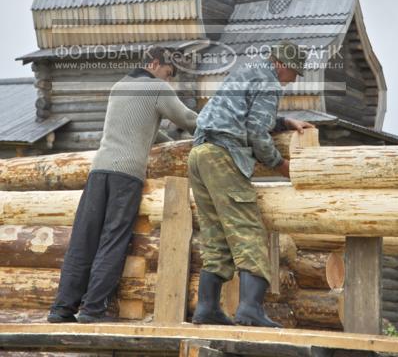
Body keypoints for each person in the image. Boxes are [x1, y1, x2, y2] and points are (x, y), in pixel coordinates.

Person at [48, 46, 197, 324]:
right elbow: (188, 120)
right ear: (154, 64)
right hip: (126, 176)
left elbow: (138, 128)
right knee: (113, 240)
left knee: (83, 239)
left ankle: (61, 309)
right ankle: (92, 310)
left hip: (98, 171)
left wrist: (168, 143)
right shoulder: (157, 89)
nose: (169, 80)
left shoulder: (120, 86)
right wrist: (217, 131)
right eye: (168, 73)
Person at [188, 41, 314, 327]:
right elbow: (256, 133)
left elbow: (245, 115)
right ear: (282, 64)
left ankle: (207, 308)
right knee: (248, 231)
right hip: (223, 156)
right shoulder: (269, 81)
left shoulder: (247, 71)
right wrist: (281, 166)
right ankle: (250, 309)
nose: (293, 80)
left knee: (216, 233)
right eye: (294, 72)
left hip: (200, 153)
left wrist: (284, 122)